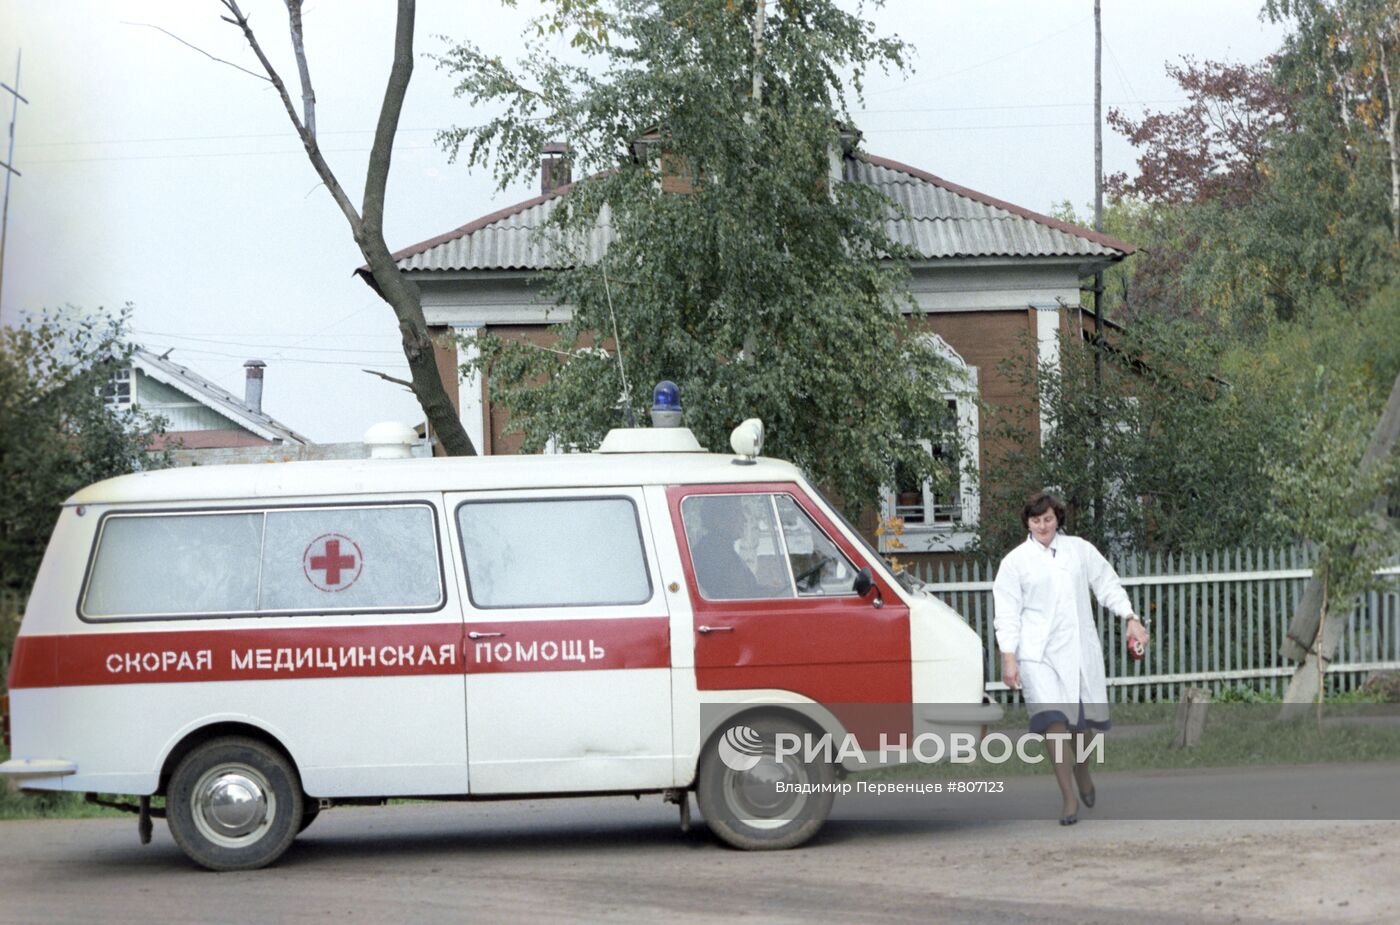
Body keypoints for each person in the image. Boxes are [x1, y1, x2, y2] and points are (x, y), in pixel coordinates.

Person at [992, 491, 1150, 825]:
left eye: (1048, 519)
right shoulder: (1015, 563)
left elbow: (1107, 584)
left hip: (1077, 649)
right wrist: (1009, 657)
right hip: (1036, 654)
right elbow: (1006, 612)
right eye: (1036, 520)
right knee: (1054, 723)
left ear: (1058, 519)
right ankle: (1068, 797)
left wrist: (1130, 617)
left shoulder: (1079, 550)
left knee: (1083, 725)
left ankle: (1082, 768)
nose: (1042, 526)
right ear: (1027, 523)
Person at [689, 496, 769, 600]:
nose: (744, 519)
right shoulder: (712, 555)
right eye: (737, 512)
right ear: (719, 520)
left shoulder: (720, 549)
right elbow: (738, 596)